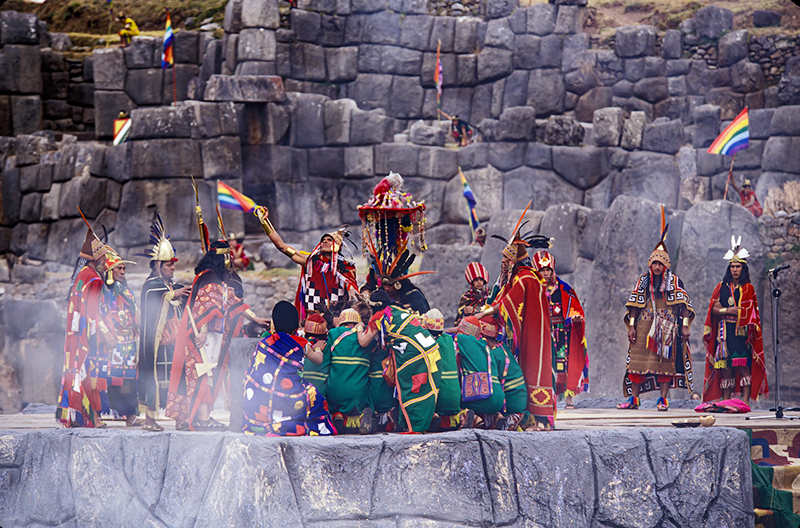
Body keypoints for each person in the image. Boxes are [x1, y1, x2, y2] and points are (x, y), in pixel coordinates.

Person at [166, 240, 269, 431]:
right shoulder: (210, 277)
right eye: (228, 255)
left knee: (206, 372)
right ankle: (202, 418)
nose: (231, 259)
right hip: (201, 334)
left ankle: (201, 416)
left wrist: (256, 318)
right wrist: (203, 332)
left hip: (213, 334)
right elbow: (203, 306)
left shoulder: (216, 278)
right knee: (203, 372)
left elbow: (233, 301)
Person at [474, 216, 555, 430]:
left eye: (506, 262)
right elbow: (501, 297)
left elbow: (506, 305)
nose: (503, 265)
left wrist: (481, 316)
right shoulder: (517, 277)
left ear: (514, 261)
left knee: (532, 370)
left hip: (532, 335)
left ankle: (539, 420)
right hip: (526, 332)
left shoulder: (526, 278)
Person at [619, 209, 695, 411]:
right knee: (637, 362)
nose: (657, 266)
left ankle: (663, 399)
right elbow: (634, 306)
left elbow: (684, 308)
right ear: (650, 263)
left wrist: (685, 327)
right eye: (654, 263)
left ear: (666, 264)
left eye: (660, 263)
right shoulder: (643, 280)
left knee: (664, 364)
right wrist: (632, 327)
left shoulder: (675, 281)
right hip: (643, 326)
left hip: (667, 326)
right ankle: (634, 399)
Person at [242, 301, 335, 436]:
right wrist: (319, 349)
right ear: (295, 327)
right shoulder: (300, 343)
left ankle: (268, 421)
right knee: (316, 397)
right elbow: (318, 360)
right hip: (291, 399)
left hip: (259, 402)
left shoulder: (264, 342)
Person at [357, 290, 439, 433]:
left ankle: (416, 425)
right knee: (424, 385)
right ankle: (430, 416)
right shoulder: (398, 310)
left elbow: (363, 342)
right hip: (430, 348)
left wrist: (359, 328)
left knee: (410, 387)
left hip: (414, 352)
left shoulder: (379, 316)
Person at [255, 206, 357, 320]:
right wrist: (264, 222)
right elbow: (282, 247)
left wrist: (354, 298)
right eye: (323, 240)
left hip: (336, 318)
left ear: (338, 246)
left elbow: (351, 288)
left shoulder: (346, 267)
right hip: (311, 318)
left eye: (329, 240)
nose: (324, 241)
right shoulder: (310, 261)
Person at [137, 216, 190, 431]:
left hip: (173, 341)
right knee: (154, 378)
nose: (172, 268)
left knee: (178, 379)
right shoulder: (150, 286)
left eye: (172, 264)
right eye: (168, 264)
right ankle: (149, 419)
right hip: (157, 344)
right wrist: (173, 294)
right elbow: (158, 296)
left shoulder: (169, 285)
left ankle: (181, 418)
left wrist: (183, 293)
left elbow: (176, 293)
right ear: (158, 265)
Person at [56, 228, 113, 428]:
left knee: (76, 370)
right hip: (88, 334)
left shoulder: (81, 275)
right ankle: (94, 419)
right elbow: (94, 313)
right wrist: (107, 335)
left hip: (74, 333)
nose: (107, 263)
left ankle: (77, 416)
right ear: (96, 259)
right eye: (104, 258)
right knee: (91, 373)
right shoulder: (95, 280)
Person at [701, 236, 768, 405]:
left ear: (743, 268)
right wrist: (727, 310)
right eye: (732, 266)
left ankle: (744, 402)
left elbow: (753, 311)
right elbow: (713, 309)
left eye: (738, 266)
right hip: (724, 334)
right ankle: (726, 401)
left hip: (741, 333)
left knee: (743, 367)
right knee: (725, 369)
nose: (735, 270)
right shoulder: (721, 287)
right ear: (728, 268)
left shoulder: (748, 288)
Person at [531, 250, 589, 410]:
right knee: (543, 366)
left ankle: (569, 400)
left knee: (565, 364)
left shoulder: (563, 288)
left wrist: (575, 317)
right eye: (542, 270)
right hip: (542, 333)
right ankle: (546, 400)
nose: (545, 273)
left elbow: (574, 308)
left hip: (561, 332)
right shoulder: (533, 289)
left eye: (548, 269)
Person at [307, 308, 375, 434]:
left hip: (335, 392)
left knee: (333, 394)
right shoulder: (366, 337)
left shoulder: (333, 333)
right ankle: (361, 416)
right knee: (367, 389)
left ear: (341, 322)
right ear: (357, 322)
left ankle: (337, 415)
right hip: (357, 393)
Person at [102, 250, 141, 426]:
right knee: (111, 378)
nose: (123, 272)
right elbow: (99, 313)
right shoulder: (104, 291)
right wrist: (106, 334)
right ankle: (107, 411)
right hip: (112, 341)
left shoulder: (126, 291)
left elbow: (133, 312)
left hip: (129, 340)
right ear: (110, 270)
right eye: (119, 268)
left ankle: (130, 415)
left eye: (124, 268)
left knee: (129, 378)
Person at [423, 309, 470, 432]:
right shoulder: (449, 340)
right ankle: (462, 416)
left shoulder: (427, 342)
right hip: (455, 398)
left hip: (439, 398)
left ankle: (432, 416)